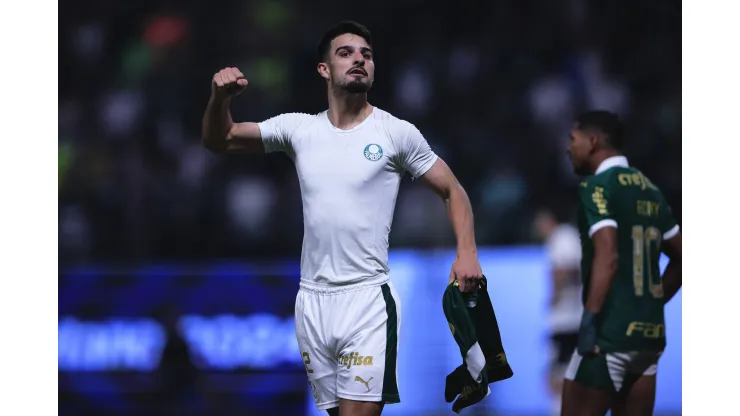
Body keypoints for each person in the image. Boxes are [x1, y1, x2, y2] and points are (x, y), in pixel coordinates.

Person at [201, 21, 483, 416]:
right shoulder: (299, 129)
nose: (359, 60)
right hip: (312, 303)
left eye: (366, 55)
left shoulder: (395, 133)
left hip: (367, 299)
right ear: (324, 69)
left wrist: (466, 252)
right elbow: (220, 139)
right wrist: (219, 99)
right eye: (346, 53)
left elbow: (453, 190)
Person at [561, 110, 682, 416]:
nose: (567, 147)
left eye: (572, 139)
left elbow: (608, 254)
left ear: (593, 141)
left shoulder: (597, 187)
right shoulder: (650, 190)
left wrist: (590, 321)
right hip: (649, 338)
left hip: (609, 336)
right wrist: (652, 303)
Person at [534, 207, 583, 416]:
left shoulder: (562, 238)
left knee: (559, 375)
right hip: (573, 319)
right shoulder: (568, 238)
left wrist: (556, 295)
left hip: (568, 320)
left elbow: (567, 268)